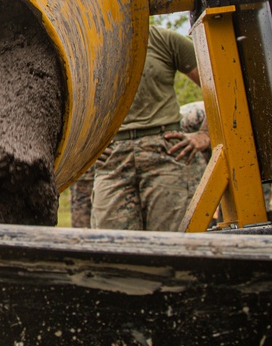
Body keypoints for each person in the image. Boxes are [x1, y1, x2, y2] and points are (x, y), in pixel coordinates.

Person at [89, 24, 208, 232]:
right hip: (113, 159)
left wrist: (205, 133)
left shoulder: (165, 40)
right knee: (110, 247)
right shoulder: (90, 47)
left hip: (166, 154)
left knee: (172, 246)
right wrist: (85, 148)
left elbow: (218, 84)